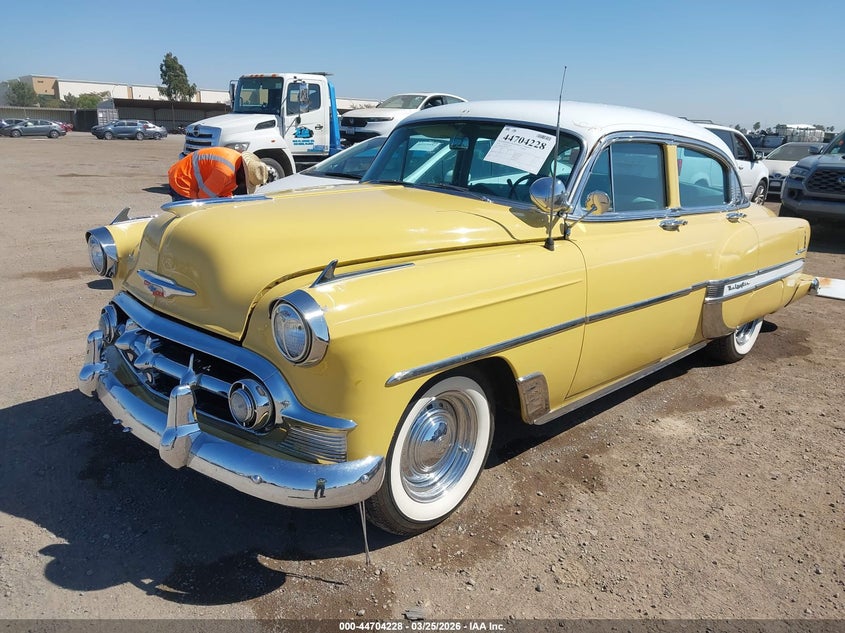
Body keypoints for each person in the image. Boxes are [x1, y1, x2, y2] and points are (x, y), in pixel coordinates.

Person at [168, 147, 269, 201]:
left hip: (190, 175)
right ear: (243, 175)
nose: (243, 185)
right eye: (245, 182)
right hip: (183, 179)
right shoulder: (225, 172)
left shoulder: (236, 164)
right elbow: (204, 199)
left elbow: (223, 193)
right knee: (189, 218)